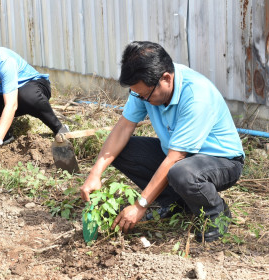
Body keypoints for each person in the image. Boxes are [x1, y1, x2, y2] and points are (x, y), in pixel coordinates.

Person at [80, 41, 244, 242]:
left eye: (144, 95)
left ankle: (215, 212)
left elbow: (176, 159)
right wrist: (95, 173)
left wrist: (141, 204)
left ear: (166, 78)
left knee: (181, 172)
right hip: (178, 157)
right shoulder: (145, 89)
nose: (141, 99)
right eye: (136, 94)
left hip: (221, 162)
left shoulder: (196, 95)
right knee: (121, 151)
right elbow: (123, 128)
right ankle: (176, 201)